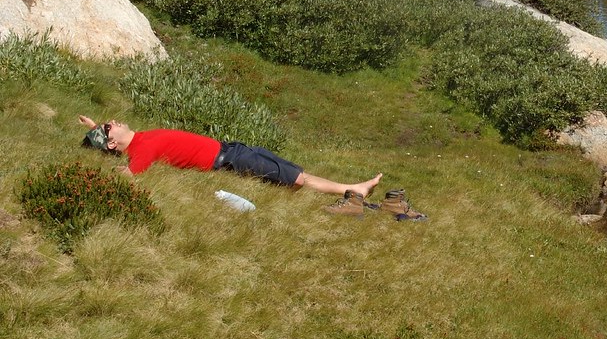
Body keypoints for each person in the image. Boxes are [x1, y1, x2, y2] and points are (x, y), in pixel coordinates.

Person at [77, 115, 382, 199]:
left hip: (231, 150)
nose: (111, 122)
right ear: (113, 145)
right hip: (232, 160)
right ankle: (353, 189)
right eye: (108, 127)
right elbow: (132, 173)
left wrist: (94, 128)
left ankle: (350, 189)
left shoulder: (139, 140)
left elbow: (112, 151)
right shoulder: (141, 150)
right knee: (296, 178)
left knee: (293, 175)